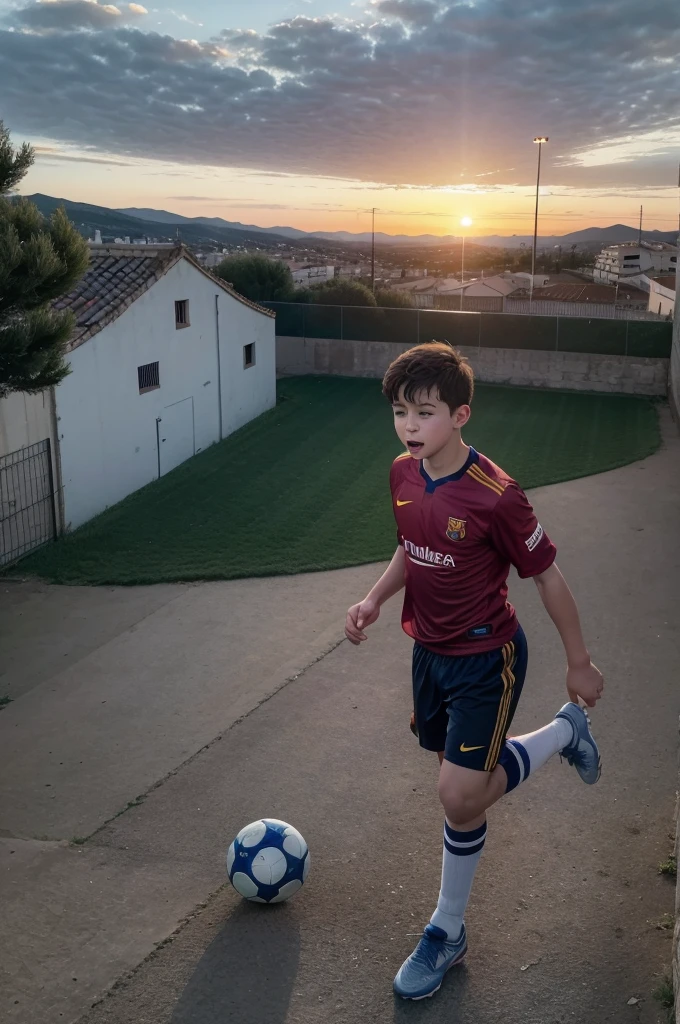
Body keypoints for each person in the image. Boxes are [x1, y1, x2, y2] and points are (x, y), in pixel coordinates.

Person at [344, 341, 603, 1001]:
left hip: (488, 658)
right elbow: (411, 548)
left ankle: (446, 929)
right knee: (462, 792)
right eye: (400, 412)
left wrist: (580, 660)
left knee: (459, 795)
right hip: (428, 654)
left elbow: (546, 577)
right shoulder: (403, 473)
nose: (408, 426)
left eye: (424, 413)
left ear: (460, 415)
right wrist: (374, 599)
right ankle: (566, 735)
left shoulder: (498, 495)